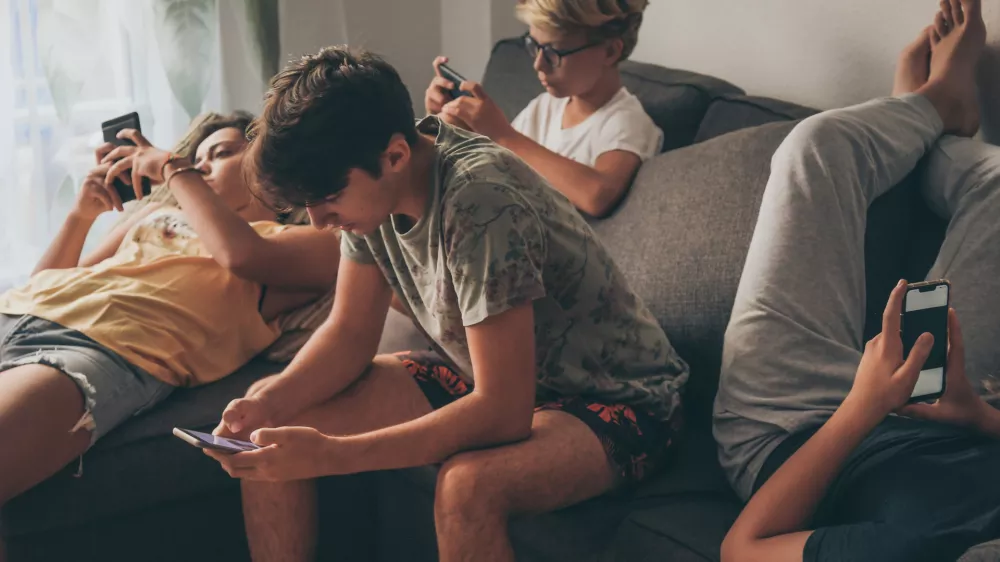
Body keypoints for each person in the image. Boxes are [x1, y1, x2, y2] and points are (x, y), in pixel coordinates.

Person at [205, 46, 689, 562]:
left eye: (326, 198)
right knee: (265, 424)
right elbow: (349, 334)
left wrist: (333, 455)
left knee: (467, 487)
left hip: (620, 401)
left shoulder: (479, 201)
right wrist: (269, 402)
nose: (318, 220)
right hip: (496, 381)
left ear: (394, 157)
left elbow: (503, 413)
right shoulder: (368, 182)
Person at [714, 1, 1000, 560]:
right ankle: (931, 121)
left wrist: (864, 406)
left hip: (795, 427)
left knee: (817, 148)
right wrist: (978, 415)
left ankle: (927, 108)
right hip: (948, 409)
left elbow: (742, 549)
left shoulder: (919, 550)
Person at [0, 112, 340, 512]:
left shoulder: (305, 241)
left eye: (221, 153)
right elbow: (45, 285)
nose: (201, 166)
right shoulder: (156, 217)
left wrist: (172, 168)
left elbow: (241, 256)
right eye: (196, 160)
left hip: (95, 350)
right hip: (16, 315)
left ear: (268, 164)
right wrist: (80, 216)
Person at [423, 0, 662, 218]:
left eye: (553, 52)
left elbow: (597, 194)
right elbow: (495, 164)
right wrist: (449, 117)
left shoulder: (627, 121)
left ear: (610, 51)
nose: (538, 64)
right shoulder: (545, 107)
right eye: (535, 46)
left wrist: (503, 135)